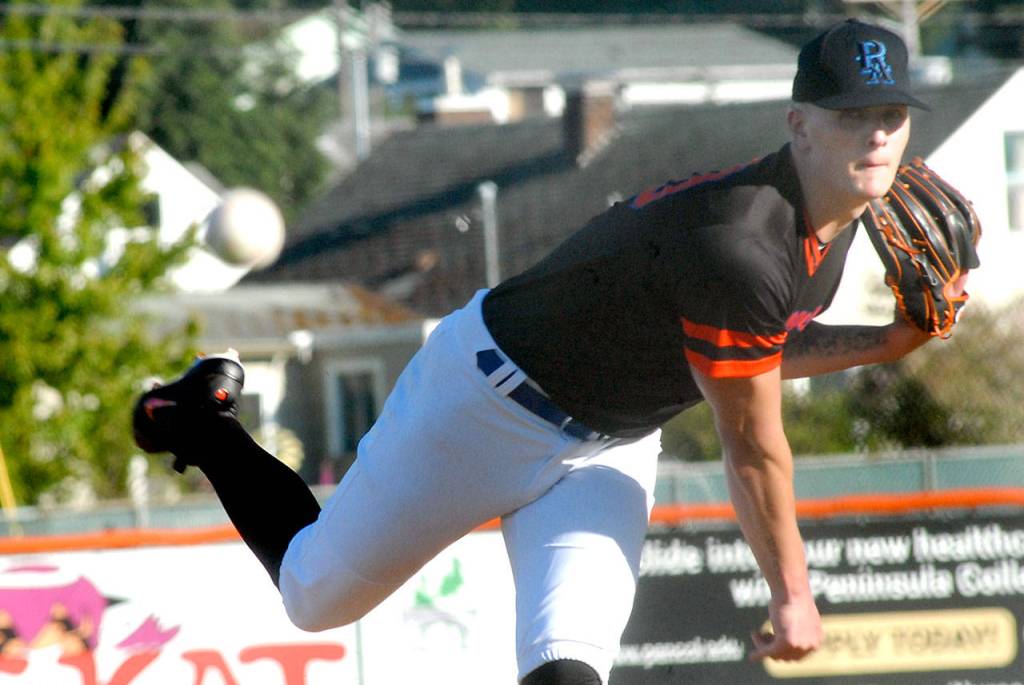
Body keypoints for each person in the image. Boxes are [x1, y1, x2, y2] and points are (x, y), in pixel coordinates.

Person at [133, 19, 963, 685]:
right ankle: (204, 424)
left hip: (609, 446)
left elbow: (753, 348)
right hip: (484, 406)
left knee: (568, 665)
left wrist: (889, 340)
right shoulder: (740, 241)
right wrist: (792, 594)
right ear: (799, 124)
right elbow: (751, 446)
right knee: (313, 597)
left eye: (890, 115)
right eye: (851, 114)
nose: (877, 136)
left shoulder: (836, 222)